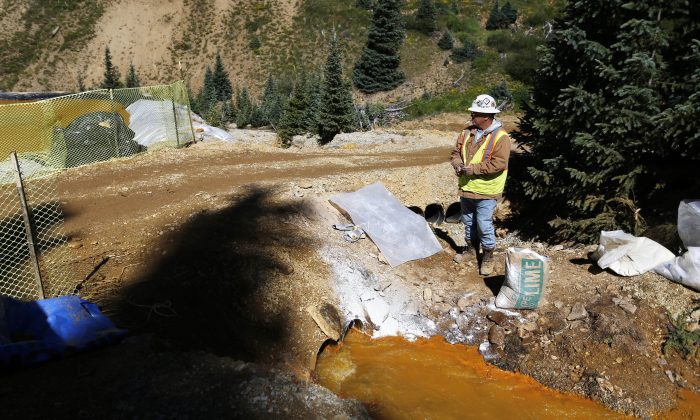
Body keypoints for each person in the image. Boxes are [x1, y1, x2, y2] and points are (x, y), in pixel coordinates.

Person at [450, 94, 511, 276]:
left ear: (486, 116)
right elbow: (455, 153)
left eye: (475, 114)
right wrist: (457, 164)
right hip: (467, 188)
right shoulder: (466, 132)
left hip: (487, 191)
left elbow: (499, 163)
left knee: (483, 224)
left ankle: (488, 256)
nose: (471, 117)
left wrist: (473, 169)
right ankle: (471, 250)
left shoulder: (501, 137)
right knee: (468, 222)